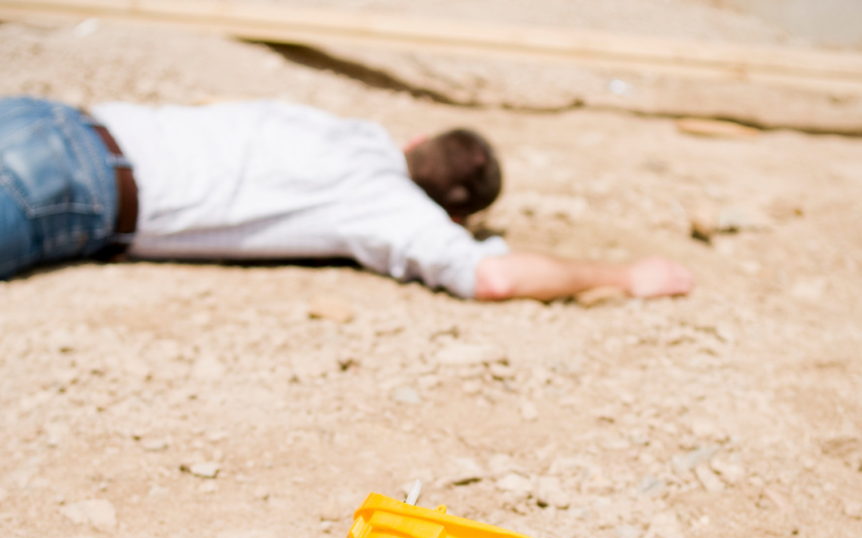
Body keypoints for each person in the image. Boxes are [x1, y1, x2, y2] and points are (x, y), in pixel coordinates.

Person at [0, 95, 692, 301]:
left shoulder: (343, 132)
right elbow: (495, 275)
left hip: (56, 119)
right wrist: (625, 275)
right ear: (453, 215)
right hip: (68, 195)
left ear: (417, 140)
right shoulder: (382, 204)